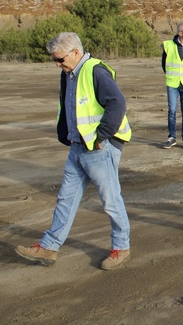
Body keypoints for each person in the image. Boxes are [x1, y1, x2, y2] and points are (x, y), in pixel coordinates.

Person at [15, 32, 132, 270]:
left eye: (60, 59)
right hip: (78, 147)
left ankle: (121, 247)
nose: (57, 65)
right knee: (65, 199)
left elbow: (117, 103)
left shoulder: (95, 71)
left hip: (100, 148)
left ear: (75, 52)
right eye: (54, 61)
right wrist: (65, 134)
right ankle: (49, 247)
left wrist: (101, 137)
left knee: (110, 201)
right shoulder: (67, 74)